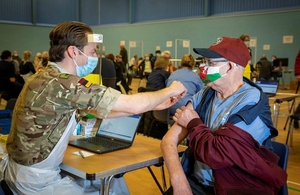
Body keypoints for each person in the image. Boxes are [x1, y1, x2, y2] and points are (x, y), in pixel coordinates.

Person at [3, 21, 187, 195]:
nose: (95, 57)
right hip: (37, 182)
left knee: (112, 182)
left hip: (21, 172)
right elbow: (132, 105)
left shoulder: (45, 76)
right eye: (92, 52)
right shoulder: (66, 84)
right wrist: (170, 90)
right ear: (73, 52)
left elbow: (96, 111)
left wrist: (150, 105)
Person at [161, 36, 287, 195]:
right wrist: (179, 180)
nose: (203, 68)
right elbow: (168, 140)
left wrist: (193, 122)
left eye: (211, 63)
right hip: (197, 184)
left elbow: (218, 154)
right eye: (203, 62)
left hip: (237, 187)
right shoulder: (206, 93)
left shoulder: (252, 102)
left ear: (229, 67)